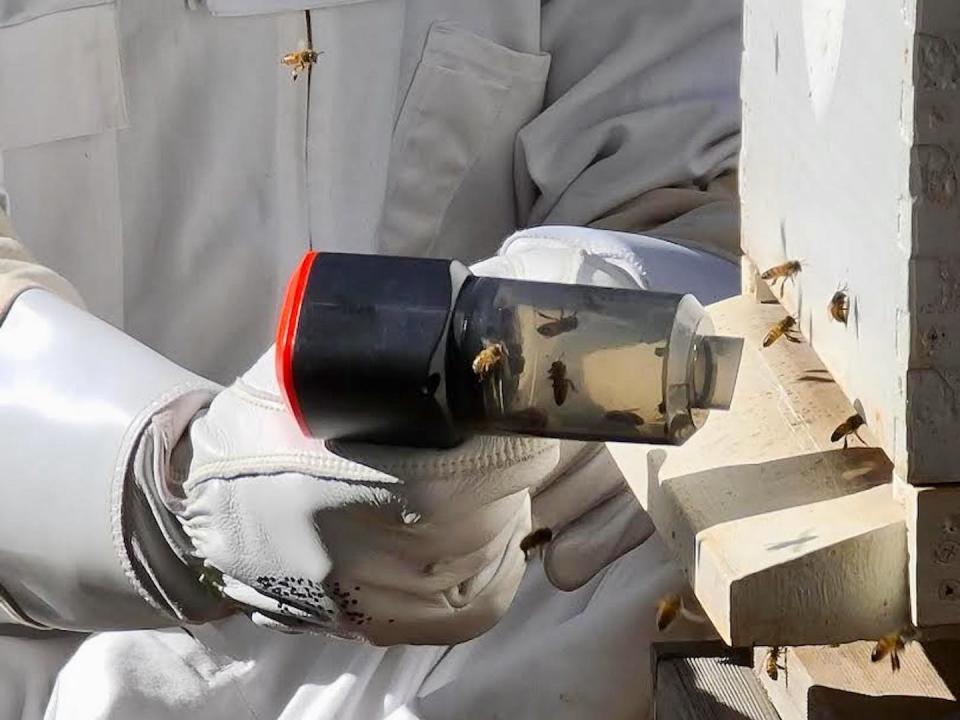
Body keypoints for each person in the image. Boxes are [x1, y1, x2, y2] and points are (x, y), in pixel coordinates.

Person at [0, 0, 741, 717]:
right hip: (44, 663)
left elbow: (697, 177)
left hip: (486, 618)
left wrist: (595, 302)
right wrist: (170, 489)